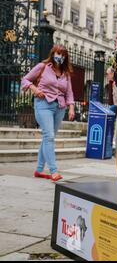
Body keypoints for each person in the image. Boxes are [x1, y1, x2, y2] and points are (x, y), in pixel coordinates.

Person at [21, 44, 75, 181]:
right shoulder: (43, 67)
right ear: (53, 53)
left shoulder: (66, 74)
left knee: (48, 138)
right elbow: (25, 79)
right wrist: (35, 89)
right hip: (43, 104)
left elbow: (69, 92)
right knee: (49, 136)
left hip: (60, 108)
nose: (60, 57)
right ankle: (53, 170)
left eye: (63, 55)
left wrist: (72, 108)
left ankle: (39, 170)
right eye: (58, 54)